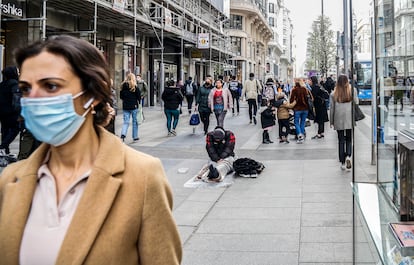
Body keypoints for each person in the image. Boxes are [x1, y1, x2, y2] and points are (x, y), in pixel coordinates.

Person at [0, 35, 182, 264]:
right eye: (25, 88)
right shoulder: (10, 179)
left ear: (93, 94)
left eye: (51, 85)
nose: (33, 99)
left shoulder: (143, 176)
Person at [330, 74, 358, 170]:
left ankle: (342, 162)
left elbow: (332, 108)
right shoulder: (352, 90)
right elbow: (356, 102)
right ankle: (348, 156)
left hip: (338, 118)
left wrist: (332, 121)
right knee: (349, 139)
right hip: (349, 118)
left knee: (341, 140)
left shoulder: (334, 93)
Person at [0, 66, 20, 155]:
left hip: (2, 112)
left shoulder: (2, 84)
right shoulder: (15, 84)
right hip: (11, 112)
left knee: (5, 131)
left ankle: (5, 152)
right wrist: (18, 111)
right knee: (15, 129)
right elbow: (16, 99)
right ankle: (3, 147)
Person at [290, 78, 312, 144]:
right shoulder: (305, 89)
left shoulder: (294, 90)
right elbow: (310, 98)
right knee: (302, 122)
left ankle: (299, 135)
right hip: (305, 109)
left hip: (297, 109)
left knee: (296, 122)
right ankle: (302, 135)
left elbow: (291, 100)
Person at [120, 73, 141, 142]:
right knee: (135, 122)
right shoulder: (135, 87)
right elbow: (139, 97)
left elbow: (121, 97)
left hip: (125, 106)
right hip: (134, 106)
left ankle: (123, 133)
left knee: (126, 122)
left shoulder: (123, 87)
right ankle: (135, 137)